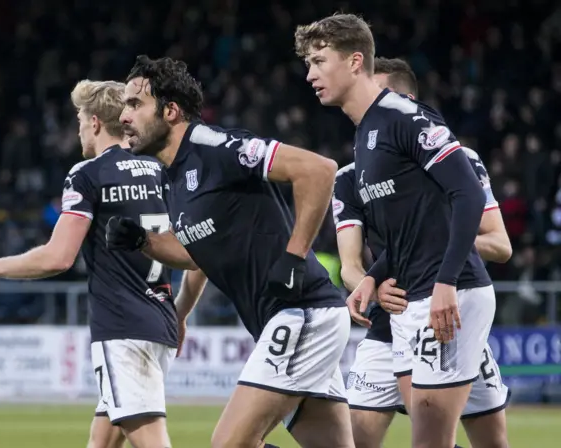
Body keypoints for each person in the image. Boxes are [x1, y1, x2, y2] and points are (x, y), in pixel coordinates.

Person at [107, 55, 355, 448]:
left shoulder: (214, 146)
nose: (123, 116)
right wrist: (145, 243)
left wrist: (294, 255)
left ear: (171, 111)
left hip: (302, 312)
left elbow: (318, 170)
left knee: (228, 444)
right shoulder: (172, 177)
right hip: (290, 318)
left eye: (135, 104)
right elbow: (194, 252)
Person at [295, 14, 503, 448]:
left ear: (355, 62)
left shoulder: (402, 116)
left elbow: (466, 193)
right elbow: (415, 231)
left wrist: (447, 281)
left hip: (447, 295)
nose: (310, 74)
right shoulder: (365, 134)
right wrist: (369, 279)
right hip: (412, 303)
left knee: (429, 440)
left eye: (318, 61)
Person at [0, 80, 184, 448]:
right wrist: (181, 313)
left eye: (80, 119)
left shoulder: (87, 175)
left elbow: (59, 256)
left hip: (122, 329)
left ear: (95, 122)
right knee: (101, 442)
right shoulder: (157, 170)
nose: (78, 127)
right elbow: (195, 246)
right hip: (159, 323)